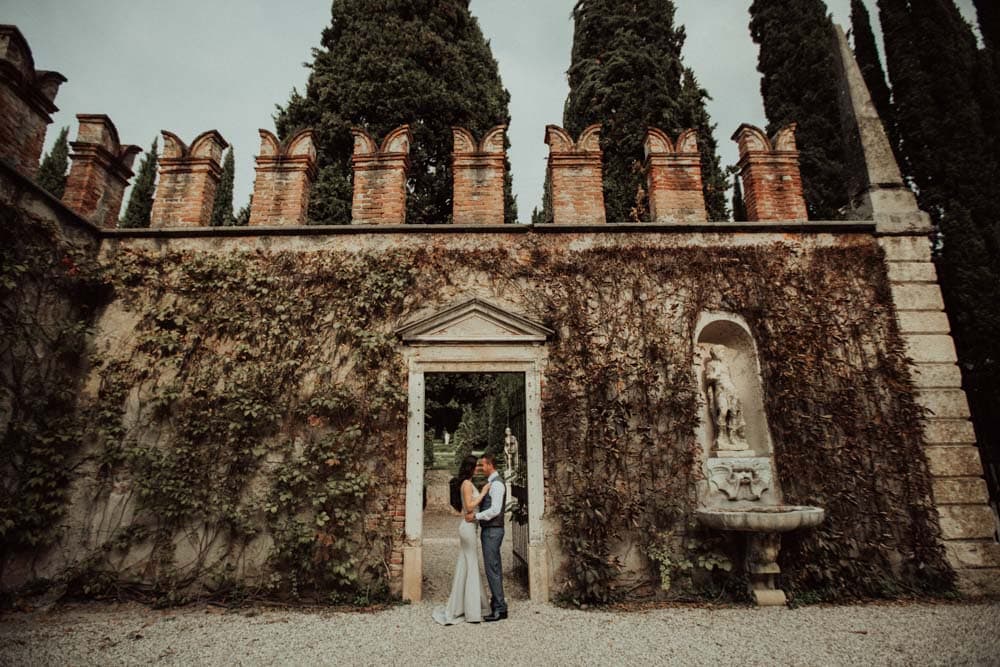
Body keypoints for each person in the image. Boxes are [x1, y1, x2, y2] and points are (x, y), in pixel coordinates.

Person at [432, 455, 492, 625]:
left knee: (466, 565)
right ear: (470, 468)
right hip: (467, 528)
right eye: (477, 467)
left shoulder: (468, 483)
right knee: (471, 564)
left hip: (471, 527)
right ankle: (472, 611)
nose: (479, 469)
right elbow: (469, 506)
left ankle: (465, 606)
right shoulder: (466, 484)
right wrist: (483, 493)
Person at [466, 454, 507, 621]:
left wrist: (476, 517)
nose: (481, 469)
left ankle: (500, 608)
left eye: (482, 465)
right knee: (493, 568)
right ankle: (497, 603)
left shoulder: (497, 485)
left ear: (490, 465)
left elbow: (495, 510)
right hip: (490, 530)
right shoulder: (492, 482)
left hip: (493, 531)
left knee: (492, 569)